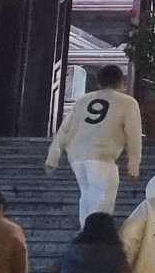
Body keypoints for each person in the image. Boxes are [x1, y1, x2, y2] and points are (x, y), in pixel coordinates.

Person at [45, 63, 143, 220]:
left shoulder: (83, 100)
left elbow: (65, 130)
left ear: (99, 83)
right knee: (103, 202)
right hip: (102, 154)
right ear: (121, 82)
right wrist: (133, 167)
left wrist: (53, 158)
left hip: (76, 155)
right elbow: (133, 135)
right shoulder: (127, 102)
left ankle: (86, 233)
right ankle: (96, 236)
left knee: (87, 198)